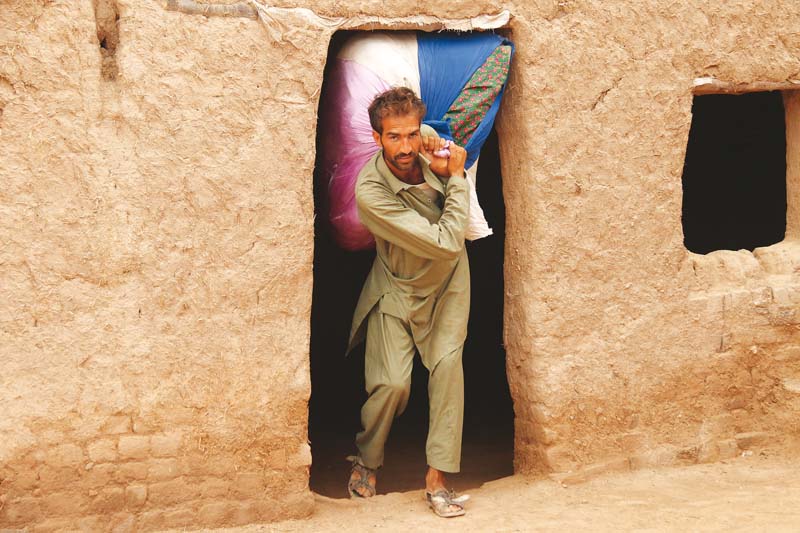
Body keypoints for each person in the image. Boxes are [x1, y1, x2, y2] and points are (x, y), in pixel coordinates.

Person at [345, 87, 471, 518]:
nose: (404, 147)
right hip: (398, 287)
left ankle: (438, 478)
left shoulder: (426, 147)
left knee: (448, 372)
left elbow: (439, 141)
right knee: (392, 384)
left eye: (411, 135)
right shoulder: (372, 192)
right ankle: (367, 458)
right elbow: (448, 240)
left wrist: (436, 146)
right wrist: (456, 179)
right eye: (393, 137)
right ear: (377, 137)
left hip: (449, 286)